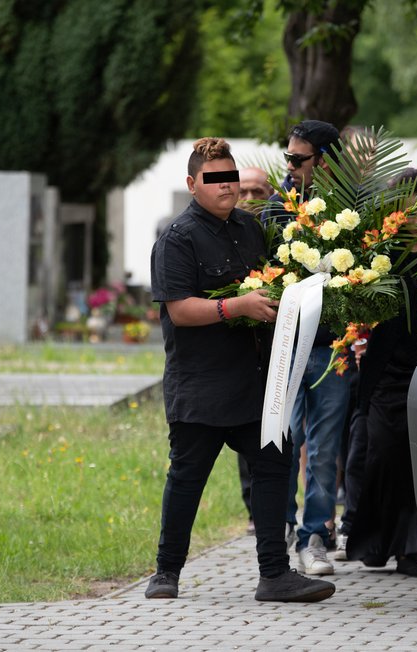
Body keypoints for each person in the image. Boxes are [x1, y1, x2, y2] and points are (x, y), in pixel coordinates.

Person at [144, 137, 335, 603]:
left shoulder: (251, 230)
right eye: (214, 179)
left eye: (231, 176)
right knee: (187, 477)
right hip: (201, 385)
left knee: (273, 469)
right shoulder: (176, 238)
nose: (226, 186)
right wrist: (238, 307)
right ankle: (166, 573)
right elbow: (180, 310)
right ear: (192, 184)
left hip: (256, 381)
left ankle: (275, 575)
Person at [345, 167, 417, 578]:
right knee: (380, 457)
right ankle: (373, 544)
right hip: (385, 370)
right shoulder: (381, 250)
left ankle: (412, 551)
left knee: (414, 460)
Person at [265, 120, 352, 576]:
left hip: (332, 348)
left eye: (299, 160)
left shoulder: (352, 211)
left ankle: (315, 536)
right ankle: (278, 531)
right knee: (284, 441)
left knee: (322, 449)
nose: (291, 167)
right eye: (288, 159)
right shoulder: (275, 212)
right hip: (287, 346)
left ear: (325, 161)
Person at [234, 167, 275, 535]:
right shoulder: (230, 235)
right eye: (243, 192)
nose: (249, 199)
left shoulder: (281, 232)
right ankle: (253, 511)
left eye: (257, 192)